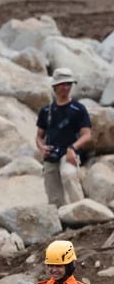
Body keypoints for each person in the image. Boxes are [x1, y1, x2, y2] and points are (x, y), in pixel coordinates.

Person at [36, 68, 92, 208]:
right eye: (62, 84)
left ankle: (81, 210)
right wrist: (42, 148)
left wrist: (73, 148)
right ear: (55, 86)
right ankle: (60, 220)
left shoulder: (78, 109)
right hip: (51, 154)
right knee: (53, 196)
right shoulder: (46, 111)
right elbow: (39, 136)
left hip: (69, 153)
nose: (66, 87)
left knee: (68, 174)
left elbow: (87, 135)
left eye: (69, 84)